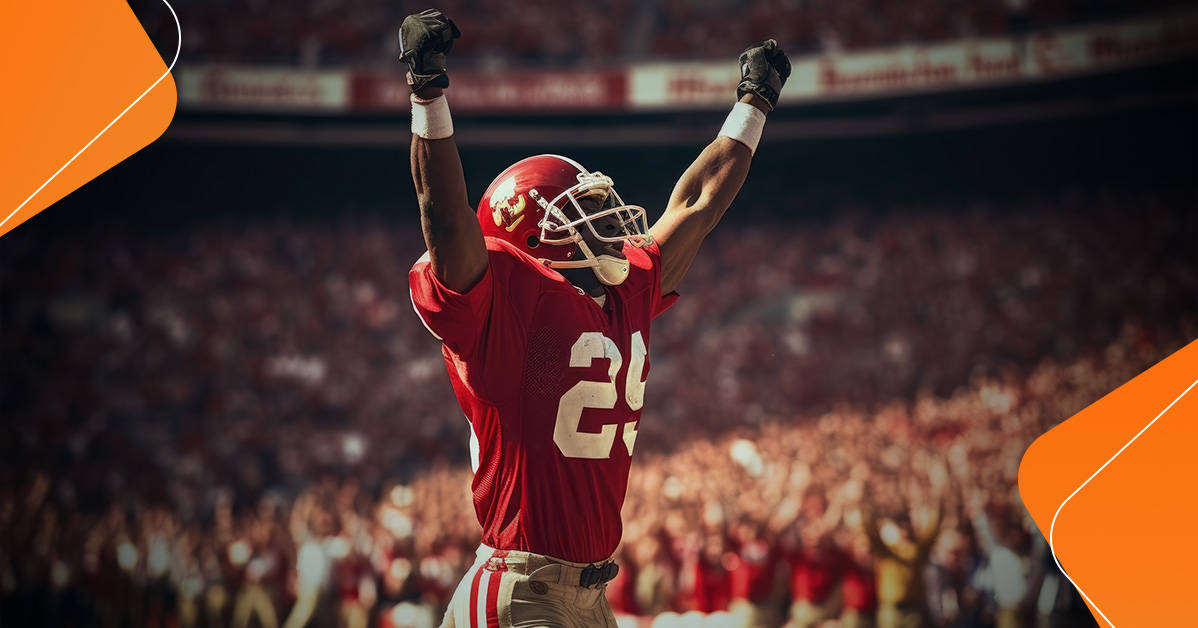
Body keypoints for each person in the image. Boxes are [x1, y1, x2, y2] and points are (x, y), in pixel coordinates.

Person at [400, 7, 791, 627]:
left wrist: (753, 105)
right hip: (521, 589)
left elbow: (696, 203)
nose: (609, 221)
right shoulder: (507, 304)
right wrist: (428, 94)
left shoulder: (625, 293)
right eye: (581, 211)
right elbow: (444, 218)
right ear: (532, 236)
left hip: (585, 595)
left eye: (601, 207)